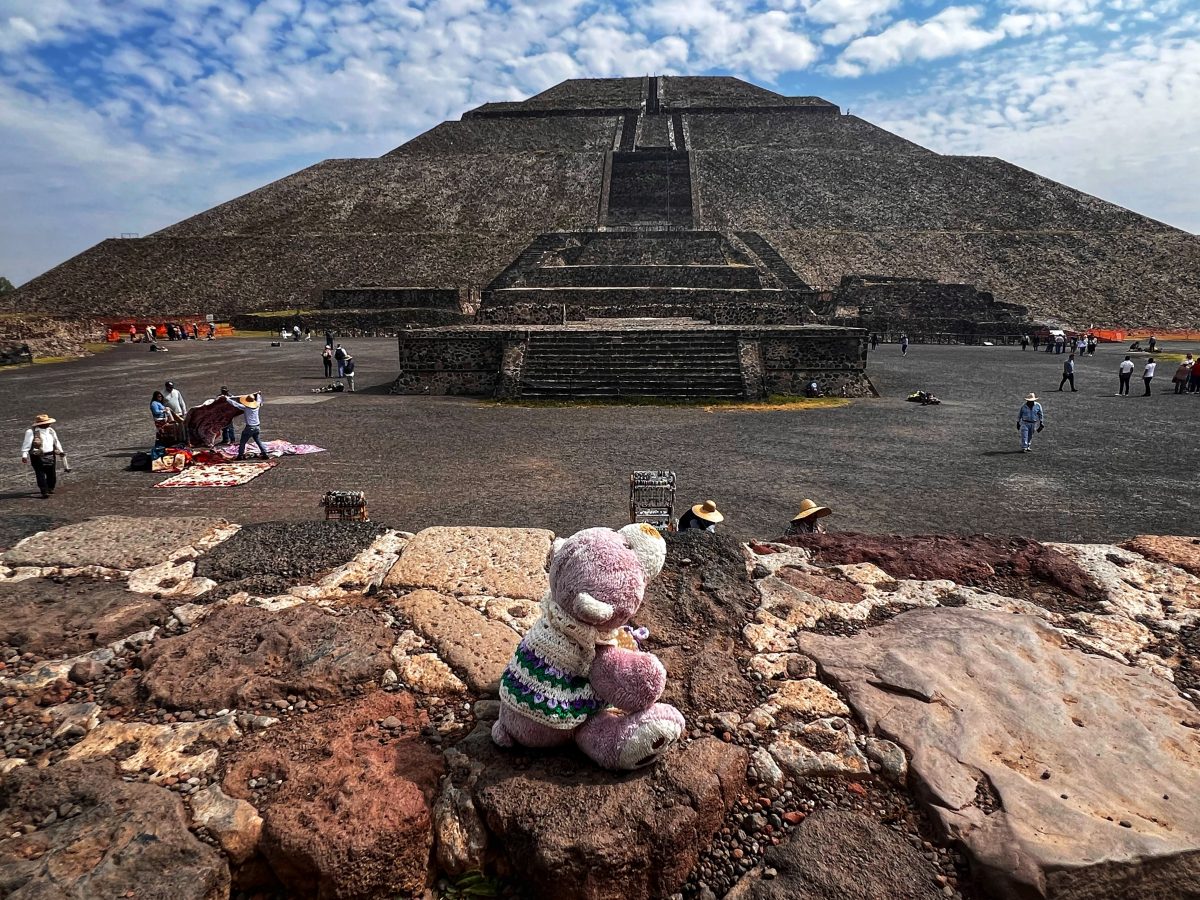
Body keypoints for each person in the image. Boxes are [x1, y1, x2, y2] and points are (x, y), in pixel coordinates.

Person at [21, 413, 66, 499]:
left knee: (51, 473)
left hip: (50, 454)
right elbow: (26, 444)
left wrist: (61, 451)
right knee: (40, 473)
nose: (49, 424)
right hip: (37, 456)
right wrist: (24, 455)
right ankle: (44, 490)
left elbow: (56, 442)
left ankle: (50, 487)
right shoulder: (31, 432)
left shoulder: (51, 431)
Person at [230, 391, 269, 460]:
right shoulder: (257, 406)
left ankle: (240, 455)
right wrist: (258, 394)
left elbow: (235, 404)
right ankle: (265, 453)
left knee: (243, 442)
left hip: (250, 427)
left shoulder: (246, 408)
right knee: (258, 440)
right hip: (257, 426)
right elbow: (259, 400)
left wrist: (226, 398)